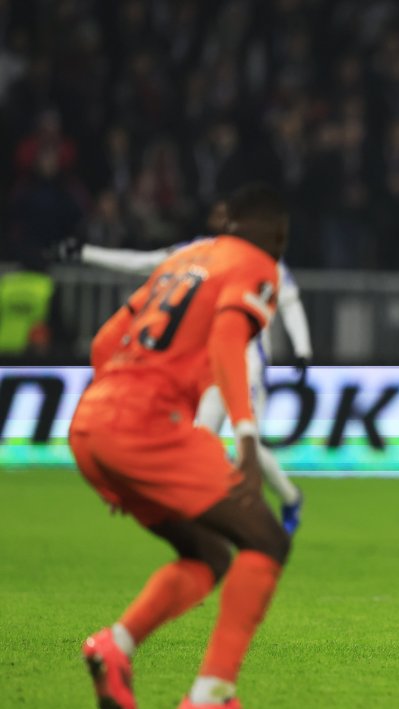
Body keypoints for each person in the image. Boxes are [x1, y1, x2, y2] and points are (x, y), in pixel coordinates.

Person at [71, 183, 294, 709]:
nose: (280, 245)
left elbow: (104, 343)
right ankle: (211, 700)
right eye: (279, 234)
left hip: (93, 423)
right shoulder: (256, 265)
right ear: (266, 231)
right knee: (266, 539)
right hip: (147, 425)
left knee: (208, 554)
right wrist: (246, 436)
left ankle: (115, 646)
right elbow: (227, 341)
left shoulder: (183, 261)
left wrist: (109, 442)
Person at [54, 201, 312, 534]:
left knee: (246, 444)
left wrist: (303, 348)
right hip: (209, 363)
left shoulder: (263, 260)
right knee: (201, 439)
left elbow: (289, 301)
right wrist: (86, 253)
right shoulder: (197, 251)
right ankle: (205, 516)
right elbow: (145, 262)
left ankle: (289, 499)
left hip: (249, 362)